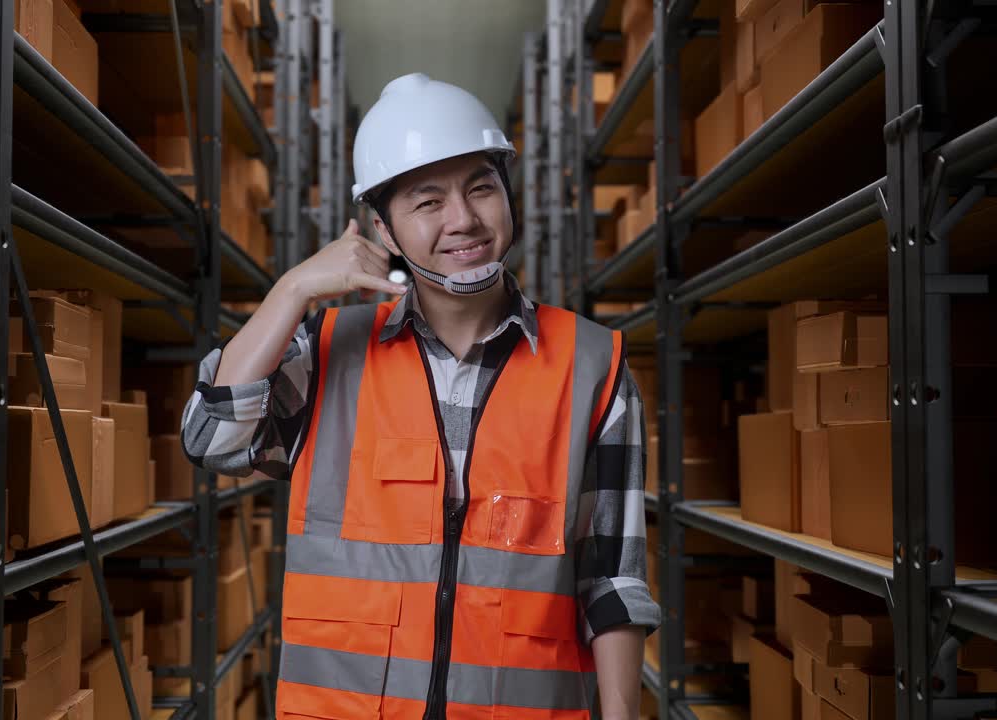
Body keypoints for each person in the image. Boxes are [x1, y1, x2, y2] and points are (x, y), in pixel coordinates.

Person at [182, 73, 659, 720]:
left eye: (481, 188)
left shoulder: (594, 366)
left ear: (509, 198)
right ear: (382, 231)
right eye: (427, 202)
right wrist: (290, 291)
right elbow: (211, 438)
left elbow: (614, 580)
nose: (463, 220)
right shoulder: (326, 355)